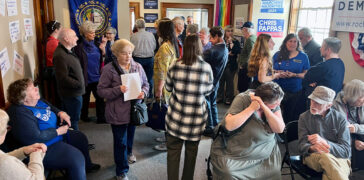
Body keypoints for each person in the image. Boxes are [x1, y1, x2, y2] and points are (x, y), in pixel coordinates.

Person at [6, 78, 100, 180]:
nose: (37, 89)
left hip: (56, 134)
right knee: (76, 158)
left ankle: (87, 167)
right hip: (44, 146)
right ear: (24, 98)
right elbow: (34, 138)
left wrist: (60, 112)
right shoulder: (19, 113)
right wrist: (58, 132)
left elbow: (49, 106)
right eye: (33, 89)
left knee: (80, 138)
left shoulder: (37, 100)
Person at [210, 82, 285, 179]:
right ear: (265, 101)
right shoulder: (242, 99)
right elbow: (229, 126)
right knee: (228, 173)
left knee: (273, 171)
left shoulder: (274, 104)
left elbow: (279, 129)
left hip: (264, 152)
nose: (279, 104)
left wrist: (264, 108)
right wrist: (252, 108)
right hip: (238, 153)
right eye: (276, 103)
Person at [98, 39, 149, 180]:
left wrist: (144, 93)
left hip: (134, 110)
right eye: (124, 53)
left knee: (130, 136)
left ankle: (129, 152)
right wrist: (117, 89)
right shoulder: (109, 69)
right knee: (120, 141)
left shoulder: (137, 66)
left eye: (130, 53)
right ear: (116, 54)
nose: (128, 57)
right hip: (117, 112)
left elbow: (146, 84)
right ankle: (121, 171)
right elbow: (101, 91)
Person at [165, 34, 213, 180]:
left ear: (184, 47)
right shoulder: (206, 68)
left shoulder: (174, 65)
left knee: (173, 155)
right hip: (195, 119)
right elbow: (208, 91)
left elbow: (168, 87)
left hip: (175, 118)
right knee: (191, 156)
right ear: (200, 47)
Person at [298, 86, 351, 180]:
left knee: (329, 171)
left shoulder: (340, 119)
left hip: (339, 158)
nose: (313, 105)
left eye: (318, 103)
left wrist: (325, 143)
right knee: (326, 158)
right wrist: (311, 148)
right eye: (312, 100)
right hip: (314, 156)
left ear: (329, 106)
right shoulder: (304, 117)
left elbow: (346, 152)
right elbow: (301, 146)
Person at [153, 20, 180, 151]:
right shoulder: (171, 44)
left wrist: (158, 89)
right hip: (171, 84)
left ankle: (168, 142)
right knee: (168, 113)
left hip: (164, 87)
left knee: (166, 113)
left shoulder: (165, 47)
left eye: (158, 29)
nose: (156, 31)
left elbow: (163, 71)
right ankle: (167, 137)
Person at [74, 20, 106, 124]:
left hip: (97, 77)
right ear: (85, 34)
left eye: (94, 32)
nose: (94, 34)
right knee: (85, 99)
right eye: (91, 33)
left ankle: (101, 118)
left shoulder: (97, 44)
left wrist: (103, 50)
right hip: (85, 78)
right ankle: (84, 116)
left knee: (100, 98)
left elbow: (103, 59)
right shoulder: (78, 47)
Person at [0, 109, 47, 180]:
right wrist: (36, 155)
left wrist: (23, 151)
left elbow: (3, 157)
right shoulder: (5, 164)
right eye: (7, 128)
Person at [273, 33, 310, 122]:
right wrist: (278, 73)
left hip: (294, 91)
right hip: (277, 90)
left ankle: (286, 133)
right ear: (285, 42)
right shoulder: (278, 55)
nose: (292, 44)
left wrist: (294, 75)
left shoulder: (303, 56)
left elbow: (306, 75)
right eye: (290, 41)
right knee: (275, 113)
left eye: (295, 42)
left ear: (298, 44)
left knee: (289, 115)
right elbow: (270, 70)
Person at [53, 28, 85, 131]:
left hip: (75, 93)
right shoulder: (60, 55)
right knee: (72, 120)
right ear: (66, 39)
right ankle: (76, 143)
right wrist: (79, 84)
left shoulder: (68, 51)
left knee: (74, 119)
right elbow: (62, 78)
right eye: (74, 36)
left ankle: (76, 141)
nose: (77, 38)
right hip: (71, 94)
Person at [203, 26, 228, 137]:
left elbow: (200, 65)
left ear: (217, 36)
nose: (210, 41)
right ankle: (215, 124)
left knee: (207, 104)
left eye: (211, 38)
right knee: (212, 103)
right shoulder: (225, 49)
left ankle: (209, 127)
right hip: (216, 81)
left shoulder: (211, 51)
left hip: (209, 81)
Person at [333, 79, 364, 170]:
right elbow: (336, 131)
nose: (363, 100)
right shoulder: (335, 106)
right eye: (361, 97)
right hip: (345, 140)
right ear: (351, 97)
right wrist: (353, 142)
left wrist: (355, 128)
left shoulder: (362, 103)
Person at [131, 18, 156, 98]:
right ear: (145, 26)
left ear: (136, 26)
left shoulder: (133, 36)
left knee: (137, 80)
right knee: (149, 79)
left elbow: (131, 48)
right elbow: (154, 47)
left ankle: (138, 97)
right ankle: (149, 97)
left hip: (137, 59)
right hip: (149, 59)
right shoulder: (151, 35)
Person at [217, 25, 240, 105]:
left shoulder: (235, 41)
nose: (230, 33)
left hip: (231, 65)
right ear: (225, 32)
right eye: (228, 31)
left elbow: (236, 51)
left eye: (231, 31)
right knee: (221, 81)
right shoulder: (221, 40)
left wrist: (231, 44)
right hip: (222, 64)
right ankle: (219, 97)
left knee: (230, 82)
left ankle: (229, 98)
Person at [44, 20, 62, 107]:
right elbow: (59, 58)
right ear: (56, 30)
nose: (61, 30)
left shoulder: (52, 40)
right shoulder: (53, 42)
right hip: (55, 70)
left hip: (54, 69)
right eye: (60, 28)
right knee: (59, 94)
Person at [237, 21, 256, 93]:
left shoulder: (250, 40)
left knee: (243, 89)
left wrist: (243, 65)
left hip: (246, 69)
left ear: (245, 30)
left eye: (243, 30)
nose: (242, 32)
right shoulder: (254, 38)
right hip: (249, 69)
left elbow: (251, 55)